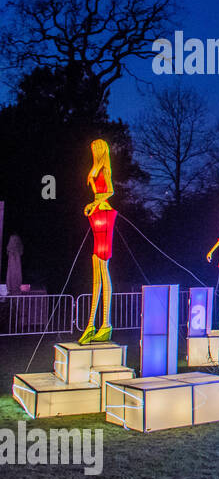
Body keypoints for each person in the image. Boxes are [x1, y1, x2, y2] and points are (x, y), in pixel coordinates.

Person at [79, 139, 116, 343]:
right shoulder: (95, 170)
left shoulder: (105, 170)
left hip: (104, 216)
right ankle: (92, 324)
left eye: (95, 148)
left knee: (103, 267)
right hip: (97, 216)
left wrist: (95, 203)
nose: (92, 150)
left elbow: (110, 191)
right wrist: (92, 205)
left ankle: (104, 324)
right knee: (96, 270)